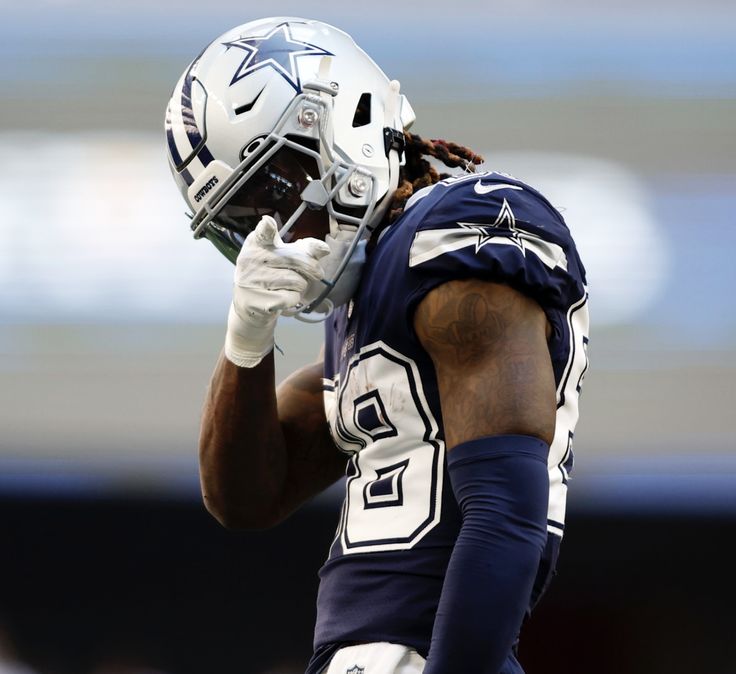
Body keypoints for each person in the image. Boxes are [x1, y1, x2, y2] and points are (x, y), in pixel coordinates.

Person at [165, 16, 589, 674]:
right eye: (241, 224)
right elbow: (243, 497)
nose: (274, 232)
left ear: (343, 124)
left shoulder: (458, 234)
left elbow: (506, 513)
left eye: (274, 193)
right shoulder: (367, 310)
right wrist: (247, 334)